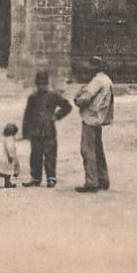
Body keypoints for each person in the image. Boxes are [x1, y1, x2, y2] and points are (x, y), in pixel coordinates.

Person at [21, 70, 72, 188]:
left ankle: (51, 178)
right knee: (35, 155)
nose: (42, 86)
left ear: (47, 84)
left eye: (44, 84)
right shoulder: (32, 98)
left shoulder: (53, 96)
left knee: (50, 155)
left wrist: (56, 116)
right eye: (39, 84)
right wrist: (26, 132)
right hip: (36, 131)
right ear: (36, 84)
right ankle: (35, 178)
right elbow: (27, 115)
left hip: (49, 130)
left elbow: (67, 106)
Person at [73, 55, 114, 193]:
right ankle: (103, 179)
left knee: (87, 150)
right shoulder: (107, 80)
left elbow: (85, 97)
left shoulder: (96, 81)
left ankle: (91, 182)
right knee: (98, 150)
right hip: (99, 118)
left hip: (90, 118)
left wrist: (77, 100)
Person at [0, 123, 21, 189]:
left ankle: (7, 182)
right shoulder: (10, 138)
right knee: (8, 170)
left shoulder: (4, 138)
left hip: (4, 156)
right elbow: (10, 147)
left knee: (6, 170)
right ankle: (7, 182)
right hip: (8, 156)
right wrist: (11, 156)